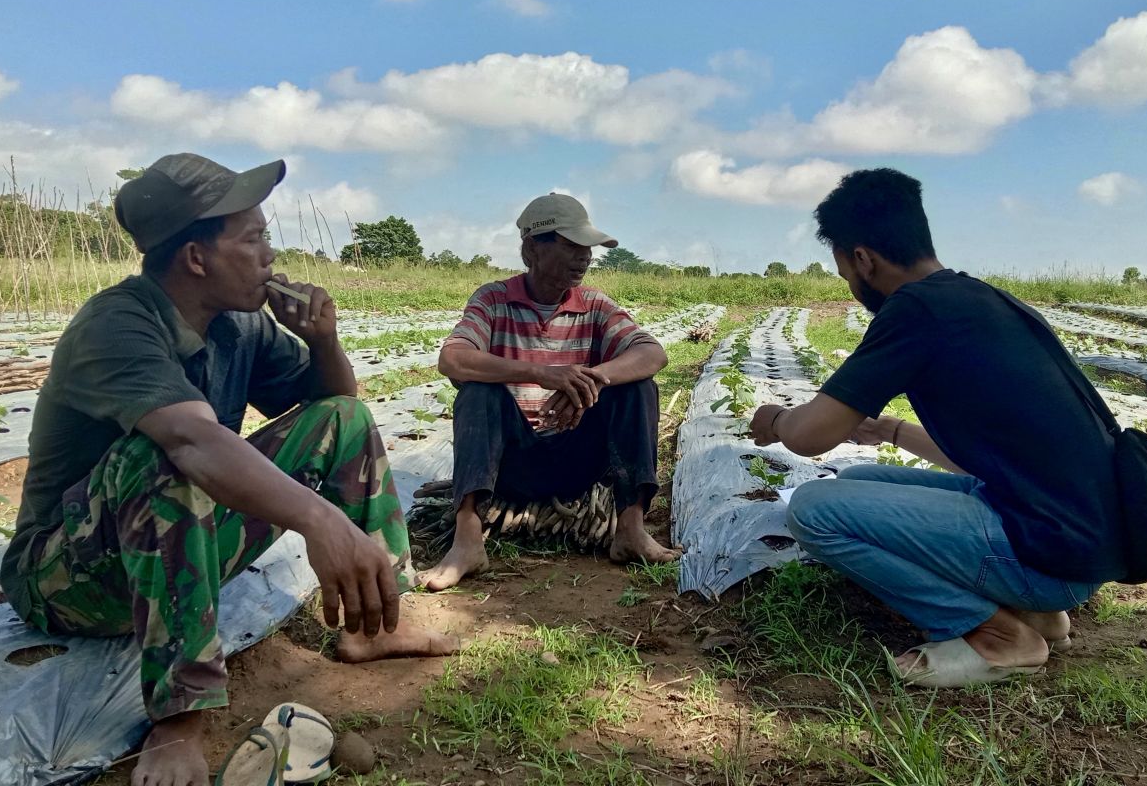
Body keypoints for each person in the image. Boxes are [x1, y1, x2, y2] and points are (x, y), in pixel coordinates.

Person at [0, 153, 456, 786]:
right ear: (195, 257)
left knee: (343, 419)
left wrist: (324, 338)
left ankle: (374, 628)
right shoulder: (115, 324)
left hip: (173, 548)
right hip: (69, 577)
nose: (270, 254)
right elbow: (189, 443)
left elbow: (333, 406)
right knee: (162, 456)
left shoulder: (240, 326)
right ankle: (178, 720)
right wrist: (320, 520)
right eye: (254, 237)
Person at [748, 168, 1111, 687]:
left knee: (814, 510)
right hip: (1077, 543)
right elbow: (986, 458)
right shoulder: (986, 301)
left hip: (1049, 551)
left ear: (862, 259)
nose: (851, 287)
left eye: (846, 273)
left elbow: (810, 436)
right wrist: (891, 430)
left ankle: (998, 637)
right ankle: (1035, 611)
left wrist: (776, 420)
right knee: (856, 483)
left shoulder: (913, 311)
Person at [419, 193, 680, 591]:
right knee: (477, 392)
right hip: (511, 462)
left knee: (637, 388)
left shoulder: (593, 304)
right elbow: (453, 359)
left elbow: (652, 353)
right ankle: (467, 539)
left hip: (578, 458)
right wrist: (542, 374)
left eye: (587, 248)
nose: (584, 258)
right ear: (531, 249)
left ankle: (631, 530)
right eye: (571, 246)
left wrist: (589, 380)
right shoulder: (493, 299)